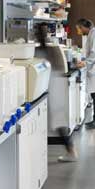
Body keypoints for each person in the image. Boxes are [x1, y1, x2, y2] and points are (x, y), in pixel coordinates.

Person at [35, 24, 77, 162]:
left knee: (58, 122)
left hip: (54, 87)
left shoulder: (43, 50)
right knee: (57, 121)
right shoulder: (48, 49)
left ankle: (71, 152)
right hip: (55, 86)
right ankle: (69, 150)